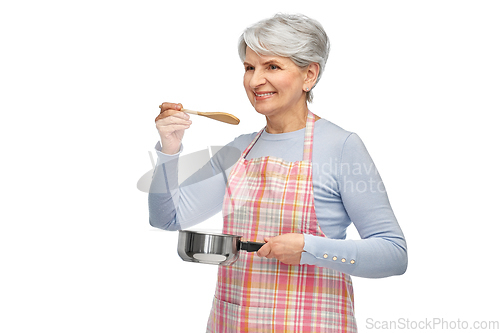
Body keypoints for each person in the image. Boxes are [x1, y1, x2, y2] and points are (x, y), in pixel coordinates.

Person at [149, 13, 407, 332]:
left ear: (309, 75)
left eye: (271, 66)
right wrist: (169, 150)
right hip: (233, 323)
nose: (255, 81)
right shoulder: (238, 150)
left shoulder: (341, 147)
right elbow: (167, 219)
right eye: (249, 67)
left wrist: (309, 248)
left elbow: (394, 253)